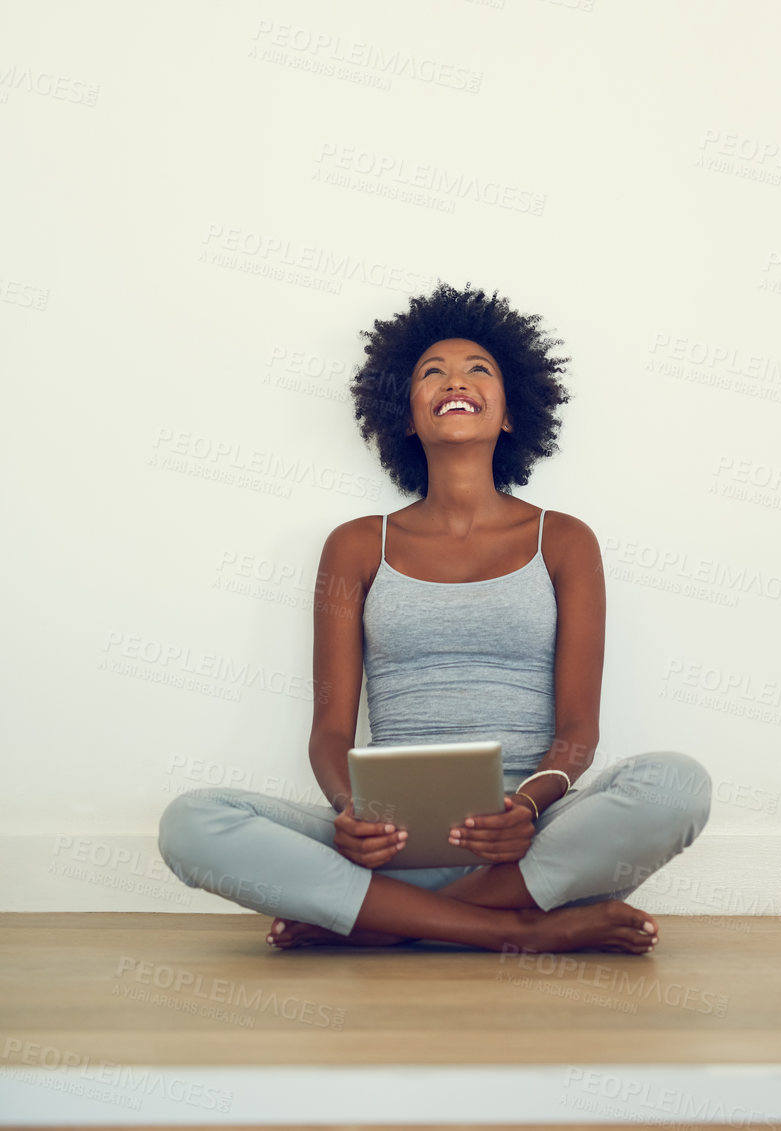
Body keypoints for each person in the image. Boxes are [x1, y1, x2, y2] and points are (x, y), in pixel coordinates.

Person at [158, 281, 712, 954]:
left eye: (479, 369)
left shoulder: (564, 540)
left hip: (528, 841)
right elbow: (329, 730)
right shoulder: (358, 544)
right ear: (407, 415)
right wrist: (350, 811)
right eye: (432, 372)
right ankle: (515, 931)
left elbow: (578, 728)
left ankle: (388, 922)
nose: (456, 379)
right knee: (191, 822)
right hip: (392, 837)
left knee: (677, 782)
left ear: (510, 413)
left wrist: (529, 805)